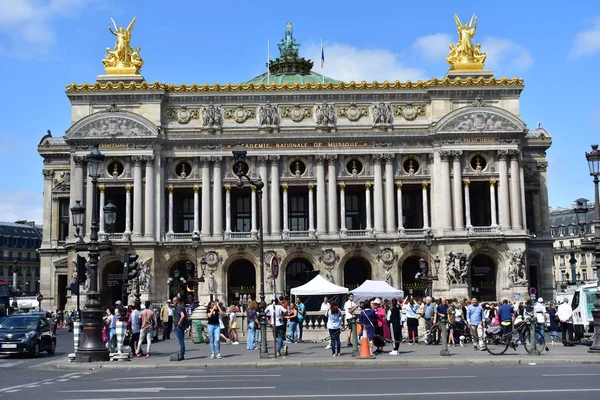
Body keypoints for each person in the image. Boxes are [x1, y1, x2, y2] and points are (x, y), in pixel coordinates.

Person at [173, 296, 187, 361]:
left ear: (177, 301)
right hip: (182, 326)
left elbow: (183, 315)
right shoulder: (181, 307)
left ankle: (181, 355)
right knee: (181, 340)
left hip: (179, 326)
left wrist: (179, 323)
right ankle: (182, 354)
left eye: (174, 301)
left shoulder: (178, 307)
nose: (173, 302)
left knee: (180, 341)